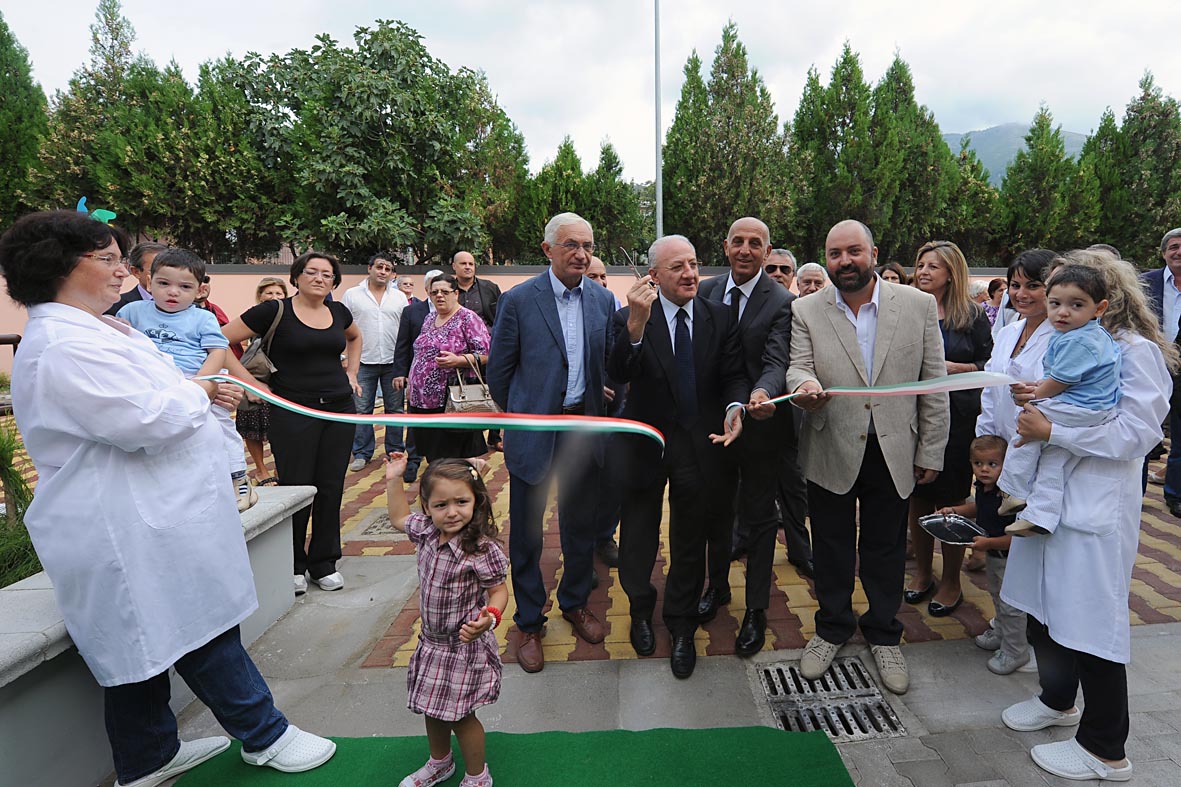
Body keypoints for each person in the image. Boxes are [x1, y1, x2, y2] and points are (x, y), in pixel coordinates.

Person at [0, 211, 336, 787]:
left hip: (157, 514)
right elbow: (146, 419)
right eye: (106, 260)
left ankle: (147, 757)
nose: (123, 273)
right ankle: (265, 735)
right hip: (124, 523)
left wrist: (199, 394)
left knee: (145, 645)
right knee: (192, 630)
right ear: (59, 266)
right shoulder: (63, 344)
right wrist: (202, 393)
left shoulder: (101, 329)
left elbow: (163, 394)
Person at [992, 248, 1175, 782]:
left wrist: (1055, 431)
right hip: (1044, 501)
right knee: (1045, 609)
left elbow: (1138, 433)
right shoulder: (1062, 340)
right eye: (1056, 297)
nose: (1061, 307)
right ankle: (1056, 698)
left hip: (1093, 507)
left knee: (1092, 621)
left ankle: (1105, 749)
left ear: (1104, 299)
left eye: (1074, 298)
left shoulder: (1135, 351)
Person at [784, 219, 949, 696]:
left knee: (885, 547)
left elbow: (932, 381)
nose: (844, 262)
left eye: (853, 251)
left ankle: (883, 632)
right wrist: (803, 387)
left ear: (874, 253)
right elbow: (799, 365)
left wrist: (931, 448)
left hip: (895, 447)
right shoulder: (806, 309)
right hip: (830, 442)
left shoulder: (917, 306)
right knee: (831, 546)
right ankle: (832, 627)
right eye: (834, 254)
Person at [607, 234, 746, 677]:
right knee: (638, 539)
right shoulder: (630, 316)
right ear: (654, 277)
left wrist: (734, 408)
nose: (690, 274)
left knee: (690, 539)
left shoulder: (718, 316)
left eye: (693, 263)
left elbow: (734, 374)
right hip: (646, 442)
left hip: (698, 445)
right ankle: (641, 610)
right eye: (677, 268)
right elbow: (616, 372)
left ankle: (682, 625)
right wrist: (635, 326)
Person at [485, 212, 616, 673]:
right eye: (570, 245)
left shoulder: (602, 298)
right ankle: (528, 621)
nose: (581, 254)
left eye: (588, 244)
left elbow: (607, 362)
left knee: (580, 523)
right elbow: (499, 371)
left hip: (584, 428)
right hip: (535, 430)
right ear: (547, 250)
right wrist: (523, 413)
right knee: (527, 531)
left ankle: (576, 603)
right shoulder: (520, 300)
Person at [223, 252, 362, 596]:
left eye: (327, 274)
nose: (319, 278)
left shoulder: (339, 312)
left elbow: (355, 338)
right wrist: (251, 383)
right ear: (296, 277)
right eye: (311, 272)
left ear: (334, 282)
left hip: (339, 410)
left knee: (331, 486)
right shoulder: (274, 310)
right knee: (298, 485)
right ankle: (294, 563)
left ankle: (324, 562)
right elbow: (220, 339)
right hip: (292, 409)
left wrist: (353, 372)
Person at [697, 217, 793, 655]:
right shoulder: (705, 290)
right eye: (738, 241)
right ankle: (716, 587)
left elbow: (776, 361)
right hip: (712, 428)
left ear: (768, 251)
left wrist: (761, 393)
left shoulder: (781, 302)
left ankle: (756, 609)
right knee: (714, 513)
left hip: (760, 424)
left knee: (758, 521)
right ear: (725, 245)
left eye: (756, 243)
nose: (746, 249)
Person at [384, 454, 507, 787]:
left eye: (461, 501)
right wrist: (394, 477)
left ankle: (478, 776)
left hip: (463, 647)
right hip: (431, 643)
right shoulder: (425, 531)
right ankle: (440, 762)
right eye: (441, 505)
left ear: (476, 501)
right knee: (432, 709)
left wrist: (490, 617)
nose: (452, 512)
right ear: (426, 506)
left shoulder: (480, 548)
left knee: (462, 717)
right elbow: (397, 516)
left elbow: (498, 592)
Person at [117, 248, 256, 512]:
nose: (173, 292)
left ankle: (238, 476)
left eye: (184, 286)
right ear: (149, 282)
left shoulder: (202, 317)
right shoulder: (133, 311)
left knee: (221, 427)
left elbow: (218, 351)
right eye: (164, 283)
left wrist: (203, 384)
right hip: (153, 384)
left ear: (199, 291)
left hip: (197, 378)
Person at [904, 240, 993, 617]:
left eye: (933, 267)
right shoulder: (905, 311)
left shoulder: (971, 316)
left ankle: (952, 579)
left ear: (951, 273)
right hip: (911, 417)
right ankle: (923, 573)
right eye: (921, 265)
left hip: (958, 418)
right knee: (918, 496)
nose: (923, 272)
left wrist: (955, 369)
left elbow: (989, 365)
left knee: (951, 499)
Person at [999, 265, 1121, 537]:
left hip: (1080, 408)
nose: (1063, 312)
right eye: (1055, 304)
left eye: (1076, 305)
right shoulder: (1086, 335)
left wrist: (1033, 396)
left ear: (1099, 308)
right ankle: (1040, 517)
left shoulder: (1078, 340)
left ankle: (1013, 489)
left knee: (1027, 428)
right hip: (1088, 409)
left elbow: (1060, 381)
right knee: (1053, 461)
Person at [935, 435, 1030, 674]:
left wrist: (988, 543)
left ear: (1005, 464)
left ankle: (1016, 651)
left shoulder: (1007, 495)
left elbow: (1016, 539)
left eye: (992, 464)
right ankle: (1001, 633)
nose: (984, 470)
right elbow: (979, 508)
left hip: (1008, 559)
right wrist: (956, 510)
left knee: (1012, 606)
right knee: (997, 598)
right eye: (978, 464)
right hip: (993, 556)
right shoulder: (984, 488)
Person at [759, 248, 814, 579]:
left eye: (784, 269)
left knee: (794, 487)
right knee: (745, 488)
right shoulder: (744, 305)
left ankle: (800, 550)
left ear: (792, 275)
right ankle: (743, 541)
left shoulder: (804, 311)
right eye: (771, 268)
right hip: (755, 407)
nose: (777, 273)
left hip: (792, 414)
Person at [406, 273, 491, 462]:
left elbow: (487, 354)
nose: (439, 296)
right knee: (433, 457)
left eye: (445, 291)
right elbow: (419, 353)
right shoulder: (429, 318)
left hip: (451, 400)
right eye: (434, 292)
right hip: (423, 401)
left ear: (456, 293)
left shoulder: (468, 318)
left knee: (453, 460)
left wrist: (458, 360)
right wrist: (411, 384)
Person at [342, 254, 409, 472]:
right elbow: (342, 328)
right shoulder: (352, 295)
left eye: (388, 269)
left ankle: (395, 451)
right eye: (379, 267)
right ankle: (362, 453)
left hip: (393, 362)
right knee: (361, 411)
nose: (383, 271)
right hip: (361, 362)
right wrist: (344, 357)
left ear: (392, 274)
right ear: (370, 268)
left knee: (395, 410)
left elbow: (405, 331)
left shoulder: (399, 297)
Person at [1141, 227, 1181, 513]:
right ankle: (1135, 491)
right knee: (1142, 430)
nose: (1178, 252)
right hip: (1150, 364)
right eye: (1174, 246)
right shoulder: (1146, 283)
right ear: (1164, 252)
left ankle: (1175, 494)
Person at [393, 269, 445, 484]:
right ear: (427, 289)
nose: (439, 293)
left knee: (439, 426)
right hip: (418, 382)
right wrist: (399, 373)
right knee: (415, 423)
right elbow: (403, 344)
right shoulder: (413, 311)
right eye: (434, 287)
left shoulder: (456, 312)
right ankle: (413, 461)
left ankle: (439, 464)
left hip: (443, 382)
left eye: (443, 287)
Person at [236, 277, 288, 486]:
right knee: (253, 424)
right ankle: (260, 470)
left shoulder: (289, 314)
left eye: (278, 293)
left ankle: (282, 465)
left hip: (282, 378)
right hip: (257, 377)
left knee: (280, 428)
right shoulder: (255, 315)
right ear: (260, 296)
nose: (274, 297)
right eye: (269, 293)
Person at [452, 252, 502, 452]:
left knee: (493, 390)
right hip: (460, 355)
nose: (468, 267)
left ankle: (495, 435)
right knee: (466, 393)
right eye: (463, 263)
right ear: (454, 266)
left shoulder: (489, 288)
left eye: (471, 263)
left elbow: (500, 317)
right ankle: (470, 437)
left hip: (489, 351)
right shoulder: (448, 289)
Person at [104, 240, 166, 315]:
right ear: (136, 272)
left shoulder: (182, 305)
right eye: (154, 270)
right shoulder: (116, 307)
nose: (165, 276)